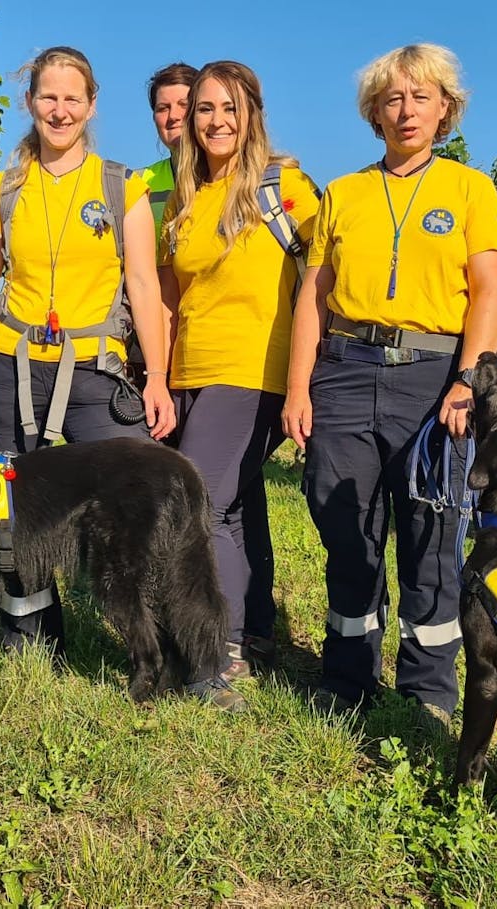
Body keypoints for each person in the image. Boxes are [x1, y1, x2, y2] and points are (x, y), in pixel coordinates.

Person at [0, 48, 224, 701]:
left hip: (94, 369)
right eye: (48, 97)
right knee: (2, 512)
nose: (60, 109)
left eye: (73, 98)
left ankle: (182, 655)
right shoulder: (1, 189)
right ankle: (33, 640)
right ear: (32, 103)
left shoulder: (122, 185)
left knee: (143, 498)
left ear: (91, 105)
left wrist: (155, 376)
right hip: (9, 367)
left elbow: (145, 283)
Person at [281, 44, 497, 722]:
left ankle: (427, 692)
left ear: (445, 109)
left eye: (421, 96)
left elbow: (489, 289)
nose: (406, 109)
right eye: (392, 98)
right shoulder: (345, 195)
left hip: (434, 377)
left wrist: (469, 380)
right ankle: (348, 677)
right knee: (347, 531)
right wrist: (300, 389)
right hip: (346, 374)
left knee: (430, 537)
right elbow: (312, 300)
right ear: (374, 112)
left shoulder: (470, 189)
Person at [159, 60, 320, 681]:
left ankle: (218, 649)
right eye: (205, 109)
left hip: (254, 371)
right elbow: (175, 297)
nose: (217, 121)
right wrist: (164, 381)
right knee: (237, 506)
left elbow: (328, 265)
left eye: (230, 108)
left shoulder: (282, 185)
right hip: (191, 374)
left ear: (251, 113)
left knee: (199, 503)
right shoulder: (184, 197)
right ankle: (254, 636)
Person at [140, 62, 198, 228]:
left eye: (184, 105)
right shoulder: (138, 184)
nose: (173, 115)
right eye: (163, 108)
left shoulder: (236, 178)